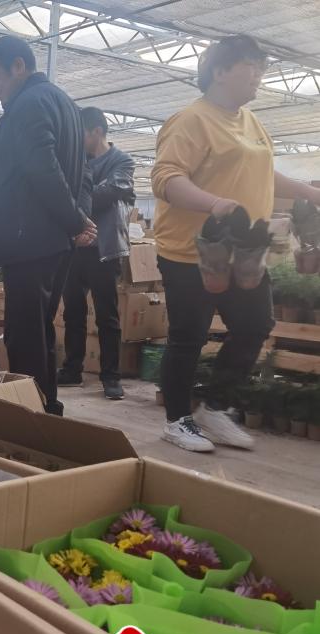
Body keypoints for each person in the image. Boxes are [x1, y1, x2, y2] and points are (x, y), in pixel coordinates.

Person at [151, 34, 320, 453]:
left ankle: (214, 408)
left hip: (245, 251)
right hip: (194, 251)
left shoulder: (251, 122)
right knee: (189, 336)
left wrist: (309, 191)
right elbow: (166, 178)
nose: (260, 75)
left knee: (255, 325)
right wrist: (215, 204)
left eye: (262, 68)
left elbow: (264, 174)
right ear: (220, 71)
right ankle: (177, 421)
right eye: (252, 66)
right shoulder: (191, 120)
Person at [0, 35, 96, 416]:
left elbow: (42, 169)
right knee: (40, 327)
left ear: (18, 66)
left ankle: (30, 416)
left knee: (24, 334)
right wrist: (77, 221)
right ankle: (48, 407)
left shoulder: (28, 104)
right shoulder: (66, 105)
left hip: (27, 238)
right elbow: (83, 174)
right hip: (54, 240)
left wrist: (75, 220)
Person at [57, 107, 136, 401]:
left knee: (107, 316)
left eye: (81, 134)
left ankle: (111, 377)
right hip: (76, 247)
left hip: (104, 249)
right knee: (73, 313)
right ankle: (72, 370)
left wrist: (73, 204)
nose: (77, 140)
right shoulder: (77, 160)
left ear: (97, 132)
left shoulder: (122, 162)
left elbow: (108, 192)